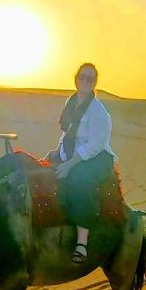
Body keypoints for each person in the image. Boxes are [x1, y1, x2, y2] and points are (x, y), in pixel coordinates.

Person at [51, 63, 117, 263]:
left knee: (80, 180)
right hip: (72, 153)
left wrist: (70, 164)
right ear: (76, 79)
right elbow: (67, 135)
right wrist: (56, 152)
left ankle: (82, 241)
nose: (86, 82)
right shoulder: (71, 103)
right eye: (83, 77)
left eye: (90, 79)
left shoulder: (98, 111)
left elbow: (95, 144)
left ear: (95, 83)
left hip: (97, 157)